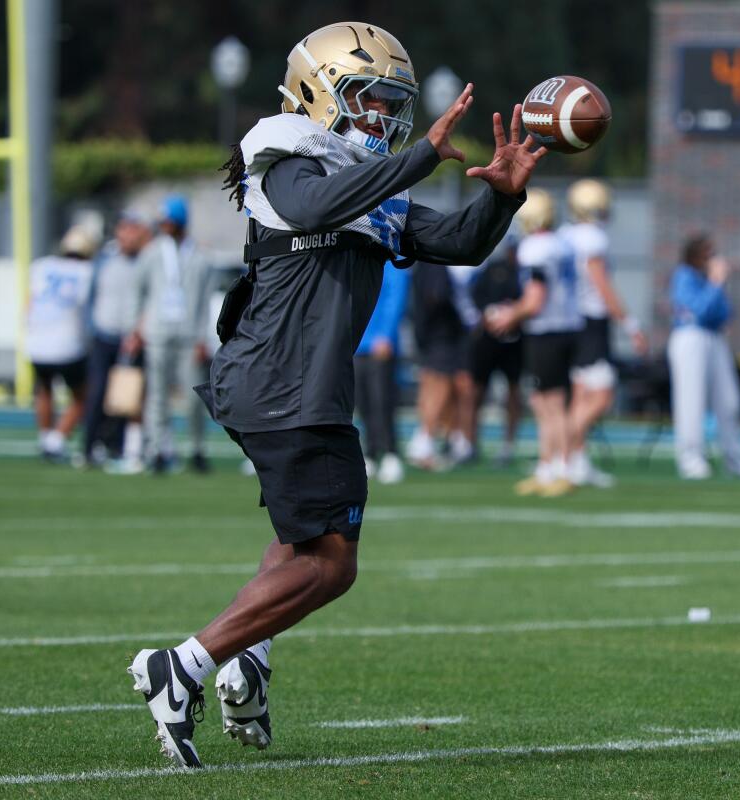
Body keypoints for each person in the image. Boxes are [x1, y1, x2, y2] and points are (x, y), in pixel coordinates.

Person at [126, 21, 542, 769]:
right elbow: (318, 207)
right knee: (333, 564)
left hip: (296, 385)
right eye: (369, 99)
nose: (382, 117)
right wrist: (419, 159)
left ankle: (246, 661)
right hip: (280, 383)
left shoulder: (356, 173)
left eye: (393, 105)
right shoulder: (285, 155)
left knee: (301, 543)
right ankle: (182, 665)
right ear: (317, 92)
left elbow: (456, 241)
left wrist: (503, 201)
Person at [486, 190, 581, 496]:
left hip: (547, 331)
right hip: (565, 327)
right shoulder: (561, 243)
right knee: (546, 402)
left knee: (550, 404)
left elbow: (535, 300)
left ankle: (562, 468)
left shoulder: (535, 248)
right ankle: (547, 467)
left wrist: (508, 315)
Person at [561, 179, 646, 488]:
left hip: (568, 321)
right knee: (602, 395)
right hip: (590, 322)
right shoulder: (592, 238)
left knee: (581, 394)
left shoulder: (565, 234)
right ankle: (564, 452)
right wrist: (630, 324)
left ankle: (575, 460)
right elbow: (601, 284)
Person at [667, 234, 740, 480]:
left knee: (730, 401)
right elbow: (699, 310)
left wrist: (716, 285)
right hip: (690, 337)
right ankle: (690, 458)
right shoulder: (685, 276)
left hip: (714, 338)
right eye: (707, 254)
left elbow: (723, 313)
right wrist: (715, 282)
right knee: (691, 400)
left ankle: (735, 457)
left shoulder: (708, 280)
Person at [135, 196, 213, 474]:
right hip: (157, 332)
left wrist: (203, 337)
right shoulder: (152, 252)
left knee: (193, 397)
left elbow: (205, 301)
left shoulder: (199, 257)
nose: (164, 225)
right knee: (157, 395)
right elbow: (139, 292)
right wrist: (137, 327)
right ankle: (158, 448)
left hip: (189, 334)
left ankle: (196, 448)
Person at [83, 210, 151, 468]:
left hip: (130, 338)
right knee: (97, 393)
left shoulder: (144, 262)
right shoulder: (105, 260)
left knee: (125, 398)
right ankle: (89, 446)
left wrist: (137, 332)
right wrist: (91, 327)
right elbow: (92, 296)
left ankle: (117, 446)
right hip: (104, 335)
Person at [25, 225, 96, 462]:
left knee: (43, 390)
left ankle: (45, 437)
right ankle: (56, 440)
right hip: (68, 341)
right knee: (83, 395)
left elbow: (30, 303)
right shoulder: (88, 271)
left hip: (37, 340)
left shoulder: (42, 266)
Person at [405, 262, 474, 470]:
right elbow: (438, 296)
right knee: (439, 385)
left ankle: (447, 439)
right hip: (441, 334)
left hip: (430, 333)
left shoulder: (423, 264)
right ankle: (424, 438)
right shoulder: (434, 264)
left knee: (433, 384)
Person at [468, 236, 525, 467]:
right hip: (489, 339)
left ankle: (508, 445)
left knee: (513, 390)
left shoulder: (527, 271)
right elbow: (476, 295)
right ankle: (470, 442)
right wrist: (489, 314)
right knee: (477, 389)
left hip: (516, 339)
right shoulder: (494, 268)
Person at [354, 260, 409, 484]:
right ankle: (370, 452)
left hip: (380, 343)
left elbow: (396, 297)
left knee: (382, 400)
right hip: (358, 342)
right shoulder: (355, 261)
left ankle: (390, 453)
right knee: (362, 401)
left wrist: (386, 334)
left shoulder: (391, 262)